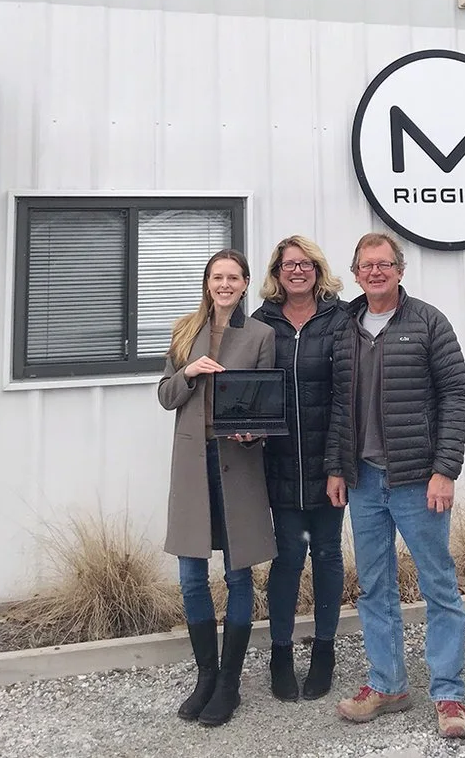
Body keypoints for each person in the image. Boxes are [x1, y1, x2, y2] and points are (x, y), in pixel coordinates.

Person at [325, 233, 465, 740]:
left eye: (385, 264)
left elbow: (458, 395)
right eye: (366, 265)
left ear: (400, 270)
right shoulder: (345, 327)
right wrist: (336, 468)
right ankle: (387, 684)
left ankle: (449, 693)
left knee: (439, 586)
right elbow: (338, 407)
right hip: (363, 481)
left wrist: (445, 469)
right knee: (374, 588)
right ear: (356, 271)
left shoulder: (428, 322)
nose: (376, 272)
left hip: (417, 481)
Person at [158, 249, 276, 727]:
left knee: (238, 574)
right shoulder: (186, 330)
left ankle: (229, 683)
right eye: (216, 277)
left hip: (238, 465)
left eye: (233, 277)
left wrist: (255, 430)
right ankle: (205, 676)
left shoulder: (261, 335)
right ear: (207, 282)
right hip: (193, 464)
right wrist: (189, 372)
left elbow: (267, 402)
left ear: (245, 284)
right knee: (191, 576)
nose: (224, 284)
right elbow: (166, 396)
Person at [252, 236, 349, 702]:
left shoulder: (341, 319)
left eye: (306, 263)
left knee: (328, 554)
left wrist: (339, 464)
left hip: (330, 465)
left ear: (317, 269)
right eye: (289, 264)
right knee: (288, 559)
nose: (297, 270)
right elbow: (248, 390)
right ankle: (281, 653)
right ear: (277, 271)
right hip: (280, 465)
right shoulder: (261, 323)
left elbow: (349, 398)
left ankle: (325, 651)